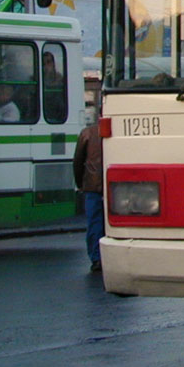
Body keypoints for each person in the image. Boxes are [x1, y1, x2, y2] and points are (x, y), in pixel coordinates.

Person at [73, 111, 105, 272]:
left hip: (93, 185)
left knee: (94, 222)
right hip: (118, 186)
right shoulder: (122, 130)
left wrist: (81, 184)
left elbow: (78, 161)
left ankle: (96, 258)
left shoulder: (88, 133)